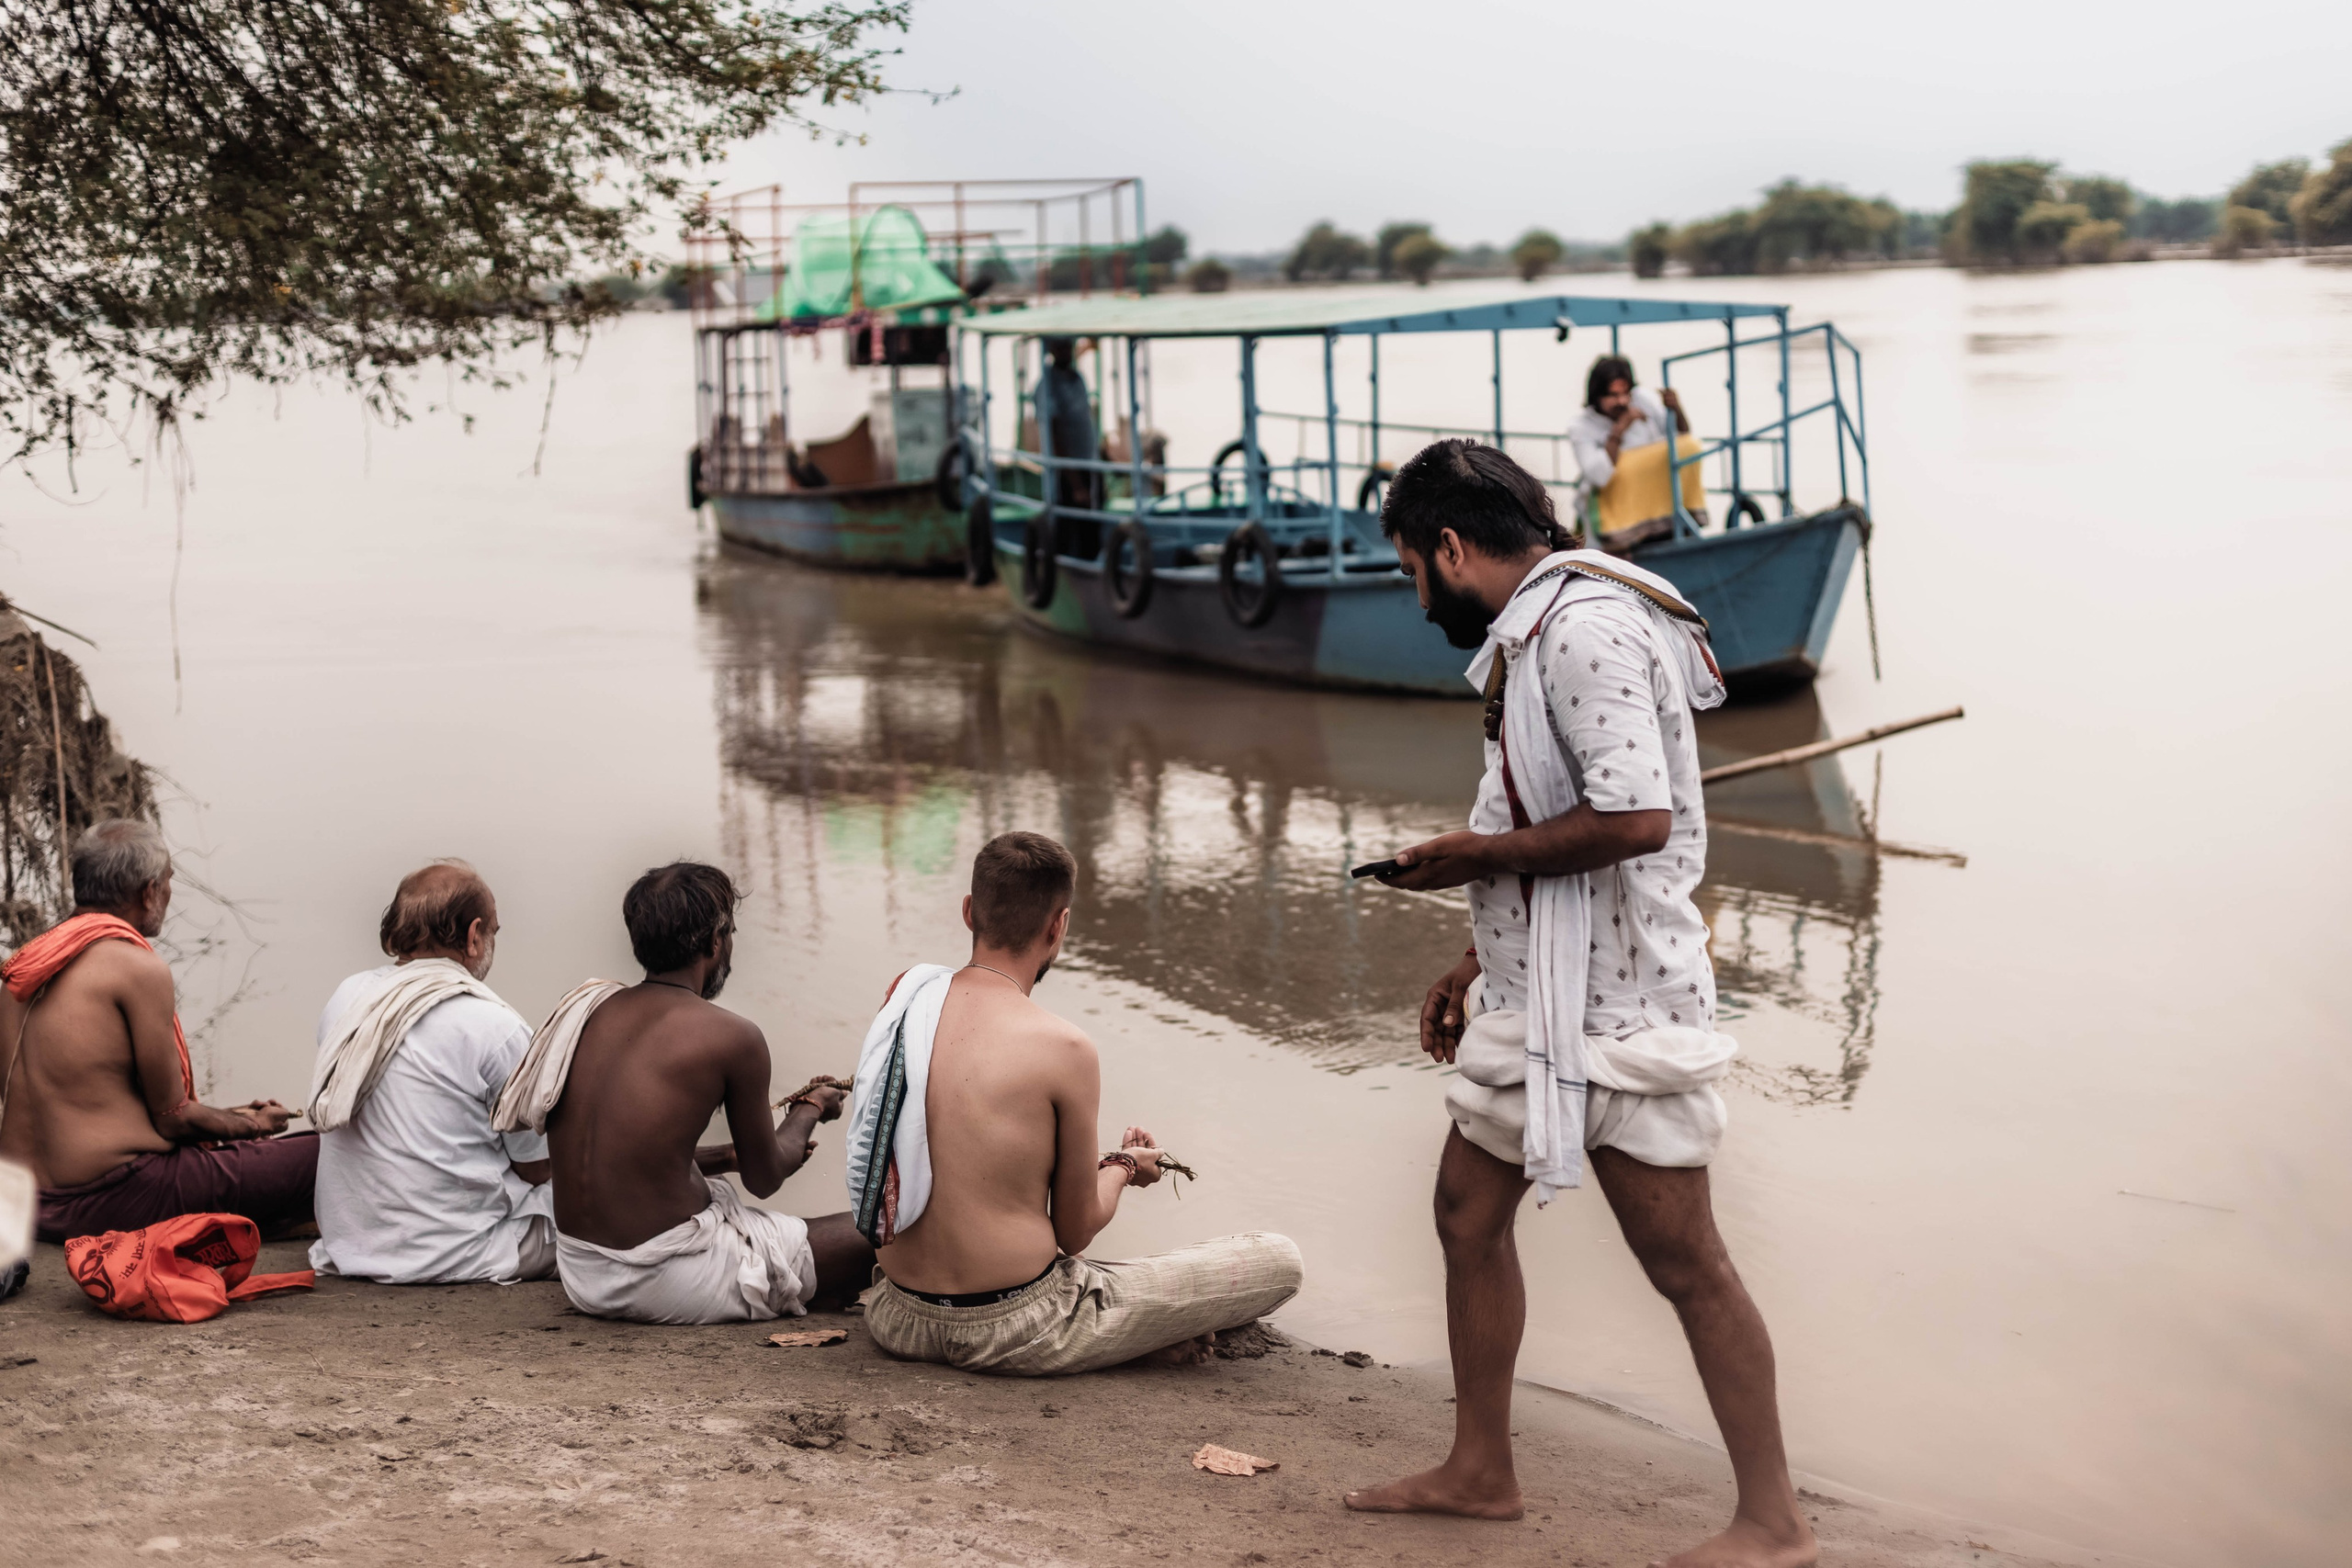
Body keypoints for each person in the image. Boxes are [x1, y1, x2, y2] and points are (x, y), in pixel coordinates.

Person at [1343, 441, 1815, 1568]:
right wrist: (1470, 956)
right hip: (1533, 989)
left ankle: (1773, 1524)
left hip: (1617, 1009)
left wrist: (1469, 856)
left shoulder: (1585, 632)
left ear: (1452, 549)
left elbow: (1635, 821)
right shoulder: (1537, 633)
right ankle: (1480, 1471)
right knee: (1465, 1212)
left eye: (1413, 569)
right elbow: (1543, 810)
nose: (1416, 598)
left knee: (1684, 1260)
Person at [852, 830, 1302, 1376]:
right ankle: (1133, 1335)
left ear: (969, 912)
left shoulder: (905, 1001)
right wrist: (1124, 1169)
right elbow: (1075, 1231)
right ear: (1058, 924)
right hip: (1019, 1327)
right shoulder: (1064, 1047)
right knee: (1278, 1260)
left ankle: (1138, 1332)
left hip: (899, 1316)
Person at [492, 861, 871, 1325]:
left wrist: (729, 1154)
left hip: (582, 1270)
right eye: (729, 933)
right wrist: (812, 1107)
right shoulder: (733, 1036)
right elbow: (767, 1177)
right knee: (885, 1228)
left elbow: (632, 1156)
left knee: (773, 1226)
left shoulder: (589, 1012)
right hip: (663, 1277)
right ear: (715, 941)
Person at [0, 819, 312, 1243]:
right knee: (327, 1154)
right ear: (148, 891)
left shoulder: (23, 969)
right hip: (114, 1197)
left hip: (32, 1202)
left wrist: (235, 1115)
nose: (167, 893)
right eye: (168, 883)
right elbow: (174, 1120)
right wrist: (255, 1127)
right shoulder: (134, 967)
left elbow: (99, 1100)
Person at [306, 861, 556, 1285]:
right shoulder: (495, 1026)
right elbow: (537, 1167)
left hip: (351, 1246)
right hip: (462, 1253)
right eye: (494, 930)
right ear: (474, 936)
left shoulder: (349, 999)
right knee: (602, 1201)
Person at [1566, 354, 1699, 552]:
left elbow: (1680, 439)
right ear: (1597, 396)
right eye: (1613, 395)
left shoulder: (1642, 400)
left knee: (1690, 447)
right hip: (1614, 521)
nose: (1622, 401)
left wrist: (1676, 409)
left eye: (1625, 393)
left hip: (1657, 507)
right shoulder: (1581, 427)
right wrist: (1620, 429)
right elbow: (1598, 476)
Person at [1035, 335, 1102, 558]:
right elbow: (1054, 435)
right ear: (1052, 349)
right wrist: (1075, 483)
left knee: (1092, 527)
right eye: (1061, 346)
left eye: (1068, 345)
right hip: (1068, 469)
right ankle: (1068, 576)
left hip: (1089, 463)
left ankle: (1092, 570)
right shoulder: (1047, 384)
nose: (1066, 350)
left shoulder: (1077, 377)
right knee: (1071, 526)